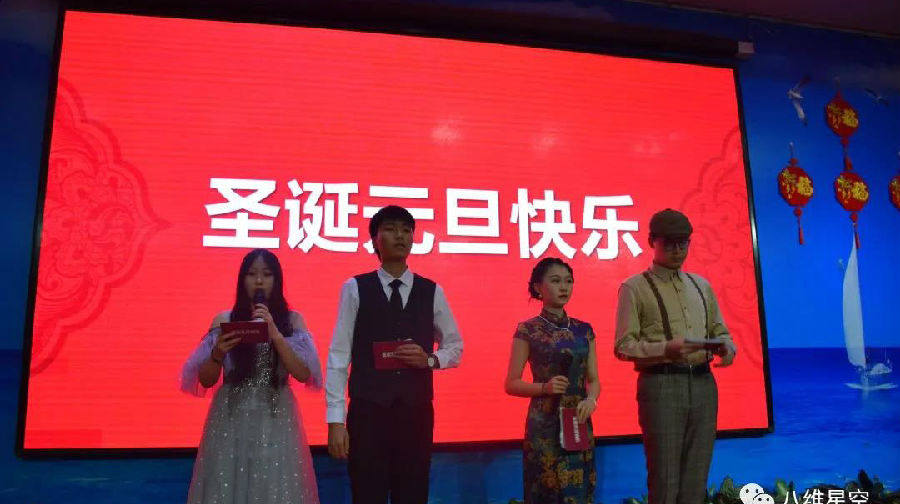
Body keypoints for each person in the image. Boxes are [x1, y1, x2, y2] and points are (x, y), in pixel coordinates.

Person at [324, 205, 463, 504]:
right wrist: (335, 420)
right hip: (368, 411)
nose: (400, 235)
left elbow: (455, 347)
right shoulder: (355, 288)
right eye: (390, 229)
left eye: (406, 230)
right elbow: (338, 355)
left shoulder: (431, 290)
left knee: (412, 493)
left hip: (416, 413)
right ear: (375, 240)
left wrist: (429, 359)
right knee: (367, 493)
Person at [614, 208, 737, 504]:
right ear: (651, 241)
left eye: (683, 243)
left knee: (697, 476)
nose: (678, 250)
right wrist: (664, 350)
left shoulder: (701, 285)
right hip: (662, 384)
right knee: (665, 478)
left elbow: (721, 330)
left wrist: (727, 347)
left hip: (704, 383)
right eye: (669, 243)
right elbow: (623, 346)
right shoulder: (634, 287)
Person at [181, 249, 322, 504]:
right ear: (241, 280)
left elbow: (303, 374)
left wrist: (275, 333)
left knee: (273, 485)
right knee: (227, 483)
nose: (259, 281)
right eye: (251, 274)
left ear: (277, 280)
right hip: (231, 418)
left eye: (266, 275)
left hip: (276, 417)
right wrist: (217, 353)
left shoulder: (292, 321)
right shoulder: (224, 319)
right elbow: (206, 380)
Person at [504, 257, 600, 504]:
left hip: (578, 421)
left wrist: (591, 400)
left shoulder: (584, 330)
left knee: (579, 490)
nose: (564, 287)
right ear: (538, 287)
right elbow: (511, 383)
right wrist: (544, 387)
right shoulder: (528, 330)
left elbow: (593, 379)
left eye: (568, 281)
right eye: (556, 281)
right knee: (546, 490)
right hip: (544, 423)